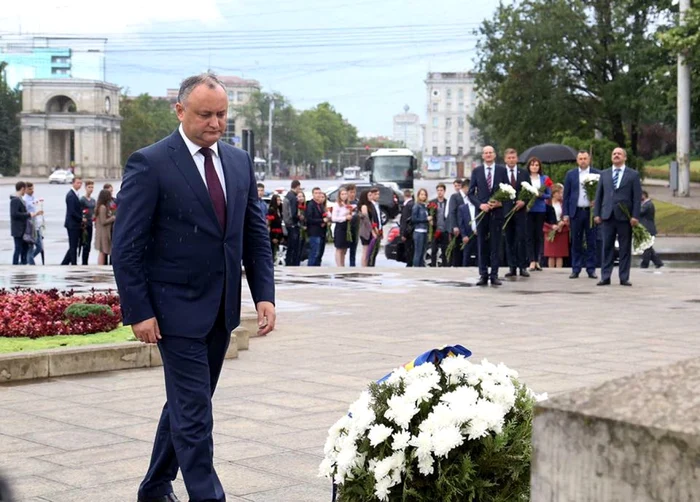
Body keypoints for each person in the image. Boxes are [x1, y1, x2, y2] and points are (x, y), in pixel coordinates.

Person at [111, 73, 276, 502]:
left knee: (187, 404)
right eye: (206, 114)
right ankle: (208, 496)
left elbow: (253, 234)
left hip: (221, 310)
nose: (216, 123)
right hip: (173, 312)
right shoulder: (150, 163)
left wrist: (264, 295)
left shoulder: (238, 162)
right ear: (180, 111)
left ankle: (154, 486)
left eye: (222, 114)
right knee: (195, 413)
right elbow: (126, 247)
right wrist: (138, 310)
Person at [594, 147, 642, 286]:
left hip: (625, 217)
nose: (616, 155)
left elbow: (637, 198)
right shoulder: (605, 174)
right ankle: (605, 276)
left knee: (624, 248)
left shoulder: (633, 175)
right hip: (607, 216)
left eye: (619, 154)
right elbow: (599, 196)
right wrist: (597, 213)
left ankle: (624, 277)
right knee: (607, 247)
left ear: (624, 157)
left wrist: (635, 216)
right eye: (614, 154)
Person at [468, 145, 509, 286]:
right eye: (486, 153)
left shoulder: (502, 171)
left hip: (497, 213)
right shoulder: (477, 171)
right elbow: (470, 193)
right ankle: (483, 274)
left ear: (495, 155)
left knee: (496, 244)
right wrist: (480, 205)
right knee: (482, 244)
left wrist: (500, 203)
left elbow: (509, 191)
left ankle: (495, 275)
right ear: (482, 156)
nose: (488, 155)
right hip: (482, 213)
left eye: (490, 152)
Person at [562, 150, 600, 279]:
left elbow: (602, 193)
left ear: (589, 160)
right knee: (576, 241)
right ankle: (576, 268)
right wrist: (566, 214)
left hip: (590, 212)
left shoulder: (597, 174)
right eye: (580, 159)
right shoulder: (571, 175)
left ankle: (591, 269)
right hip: (576, 212)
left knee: (591, 241)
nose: (583, 161)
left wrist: (597, 204)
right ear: (577, 160)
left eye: (585, 158)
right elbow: (566, 196)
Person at [502, 149, 530, 277]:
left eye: (513, 157)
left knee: (521, 238)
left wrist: (523, 201)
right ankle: (512, 266)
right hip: (506, 211)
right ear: (505, 159)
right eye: (509, 157)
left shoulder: (523, 173)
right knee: (509, 239)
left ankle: (523, 266)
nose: (511, 160)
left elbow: (529, 190)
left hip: (520, 211)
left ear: (517, 159)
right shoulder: (501, 173)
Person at [524, 157, 551, 271]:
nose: (534, 167)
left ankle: (538, 260)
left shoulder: (544, 179)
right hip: (529, 210)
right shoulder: (526, 178)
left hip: (540, 209)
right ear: (529, 166)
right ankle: (531, 260)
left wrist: (541, 195)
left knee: (538, 236)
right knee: (530, 235)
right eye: (532, 165)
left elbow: (549, 194)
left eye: (536, 165)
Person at [10, 181, 42, 265]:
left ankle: (23, 265)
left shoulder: (19, 199)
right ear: (22, 189)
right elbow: (14, 214)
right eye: (25, 189)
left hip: (23, 229)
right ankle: (15, 266)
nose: (25, 192)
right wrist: (28, 214)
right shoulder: (15, 200)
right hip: (18, 230)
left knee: (24, 249)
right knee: (18, 249)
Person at [543, 183, 570, 268]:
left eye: (562, 193)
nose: (562, 195)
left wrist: (563, 223)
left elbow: (568, 215)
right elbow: (542, 218)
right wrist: (551, 226)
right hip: (549, 229)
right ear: (554, 193)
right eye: (560, 193)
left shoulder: (564, 203)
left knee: (560, 254)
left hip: (562, 230)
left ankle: (559, 272)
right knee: (551, 254)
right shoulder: (546, 203)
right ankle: (551, 273)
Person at [61, 177, 83, 265]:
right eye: (78, 183)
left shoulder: (75, 194)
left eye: (80, 183)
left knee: (74, 245)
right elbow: (72, 211)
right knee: (73, 245)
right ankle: (73, 264)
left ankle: (65, 263)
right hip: (72, 224)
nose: (79, 185)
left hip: (75, 223)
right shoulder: (70, 195)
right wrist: (81, 219)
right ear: (73, 183)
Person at [639, 190, 664, 269]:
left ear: (644, 195)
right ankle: (658, 262)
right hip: (645, 229)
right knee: (648, 247)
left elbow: (640, 212)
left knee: (646, 247)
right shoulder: (645, 204)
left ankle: (644, 264)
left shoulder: (648, 204)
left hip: (648, 229)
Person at [23, 182, 43, 265]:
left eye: (33, 189)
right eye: (30, 189)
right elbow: (26, 214)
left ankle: (26, 261)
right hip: (30, 227)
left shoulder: (34, 198)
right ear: (25, 189)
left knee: (39, 247)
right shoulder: (24, 200)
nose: (32, 191)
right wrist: (36, 213)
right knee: (30, 248)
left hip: (37, 225)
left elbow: (36, 208)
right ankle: (31, 264)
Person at [282, 180, 302, 266]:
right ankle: (293, 264)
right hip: (293, 225)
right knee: (294, 247)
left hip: (288, 224)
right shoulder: (293, 198)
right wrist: (299, 217)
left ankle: (288, 262)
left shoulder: (287, 196)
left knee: (290, 246)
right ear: (297, 187)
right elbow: (293, 213)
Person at [429, 183, 449, 267]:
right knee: (434, 250)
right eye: (438, 190)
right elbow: (428, 213)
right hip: (435, 230)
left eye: (441, 190)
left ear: (444, 191)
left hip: (444, 230)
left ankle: (444, 266)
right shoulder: (432, 202)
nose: (440, 192)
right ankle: (433, 266)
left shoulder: (447, 202)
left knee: (445, 250)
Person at [94, 189, 116, 265]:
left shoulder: (100, 206)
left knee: (103, 251)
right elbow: (103, 221)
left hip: (103, 232)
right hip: (103, 233)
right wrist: (113, 218)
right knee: (103, 251)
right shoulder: (102, 207)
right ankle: (101, 266)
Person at [331, 187, 353, 266]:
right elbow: (334, 218)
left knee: (344, 248)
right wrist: (344, 218)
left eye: (345, 194)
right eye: (342, 194)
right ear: (339, 195)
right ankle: (339, 265)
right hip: (340, 227)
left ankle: (342, 264)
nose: (344, 196)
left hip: (346, 227)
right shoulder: (337, 205)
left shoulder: (347, 205)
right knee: (339, 248)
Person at [305, 187, 326, 267]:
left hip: (320, 231)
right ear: (313, 194)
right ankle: (310, 268)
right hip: (313, 232)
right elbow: (309, 219)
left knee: (318, 252)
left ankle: (316, 267)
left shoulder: (320, 205)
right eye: (316, 193)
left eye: (319, 193)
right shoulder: (311, 204)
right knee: (314, 252)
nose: (318, 195)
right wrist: (322, 220)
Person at [447, 179, 465, 267]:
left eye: (459, 185)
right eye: (456, 186)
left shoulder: (467, 196)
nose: (457, 188)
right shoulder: (454, 197)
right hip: (457, 227)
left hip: (465, 227)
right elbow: (452, 212)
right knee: (456, 250)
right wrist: (454, 226)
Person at [458, 196, 479, 267]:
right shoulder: (462, 208)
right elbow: (461, 223)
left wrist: (479, 229)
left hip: (478, 234)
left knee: (479, 254)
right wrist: (464, 235)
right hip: (468, 235)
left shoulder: (479, 207)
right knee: (466, 255)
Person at [411, 188, 430, 267]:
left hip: (425, 231)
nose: (423, 196)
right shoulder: (416, 206)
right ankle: (416, 268)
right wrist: (426, 219)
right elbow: (414, 219)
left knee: (423, 252)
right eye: (421, 194)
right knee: (418, 252)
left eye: (424, 195)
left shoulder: (424, 206)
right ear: (418, 196)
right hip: (418, 231)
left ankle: (421, 268)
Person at [80, 180, 96, 265]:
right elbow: (80, 210)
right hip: (84, 225)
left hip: (90, 223)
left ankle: (86, 261)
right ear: (85, 188)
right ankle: (84, 262)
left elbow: (94, 211)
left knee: (88, 244)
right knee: (85, 243)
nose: (91, 189)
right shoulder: (82, 200)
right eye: (89, 187)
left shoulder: (93, 200)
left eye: (92, 187)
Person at [399, 189, 414, 267]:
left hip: (408, 234)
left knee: (409, 252)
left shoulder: (408, 205)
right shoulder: (412, 204)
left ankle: (409, 267)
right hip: (411, 233)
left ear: (404, 195)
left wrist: (404, 234)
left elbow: (406, 221)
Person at [267, 194, 284, 262]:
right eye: (277, 200)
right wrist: (273, 236)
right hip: (273, 232)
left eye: (280, 200)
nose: (279, 202)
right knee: (272, 249)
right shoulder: (271, 210)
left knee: (275, 249)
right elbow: (270, 223)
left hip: (279, 231)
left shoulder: (279, 210)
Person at [346, 184, 360, 266]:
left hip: (355, 227)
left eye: (354, 192)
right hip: (346, 227)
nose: (352, 194)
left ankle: (352, 265)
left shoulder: (357, 202)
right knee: (343, 249)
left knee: (353, 248)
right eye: (351, 192)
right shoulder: (344, 202)